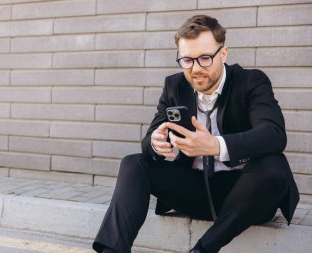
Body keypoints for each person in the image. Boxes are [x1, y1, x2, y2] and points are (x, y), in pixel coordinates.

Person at [92, 15, 299, 253]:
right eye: (187, 60)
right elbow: (149, 139)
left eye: (204, 58)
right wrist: (155, 143)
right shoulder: (174, 86)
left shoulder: (251, 82)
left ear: (223, 54)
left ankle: (202, 249)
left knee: (274, 164)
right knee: (133, 163)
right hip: (195, 191)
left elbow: (273, 134)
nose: (196, 68)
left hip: (248, 196)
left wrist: (215, 146)